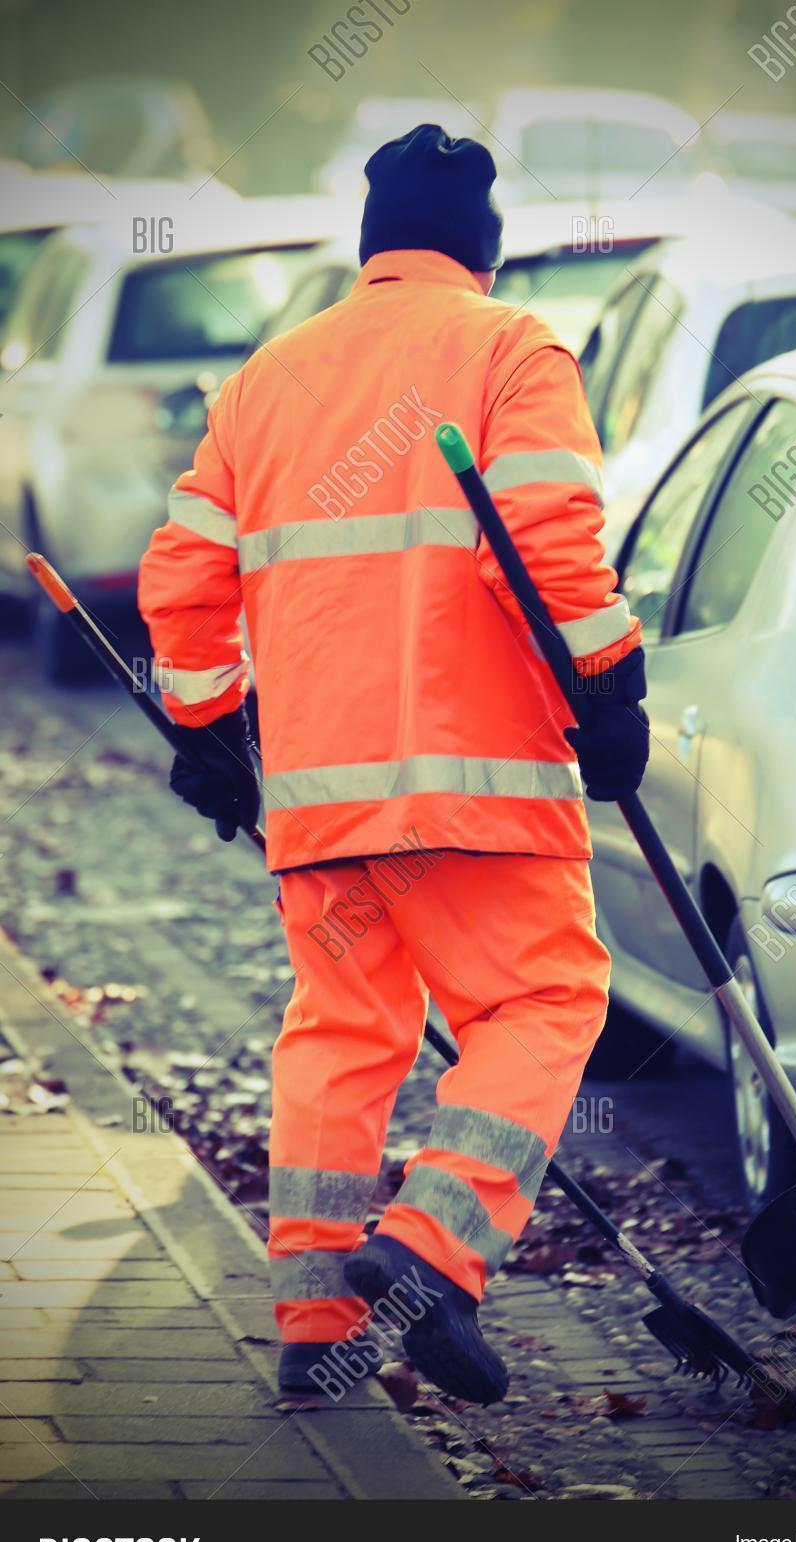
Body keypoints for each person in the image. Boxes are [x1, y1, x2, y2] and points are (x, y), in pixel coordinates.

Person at [139, 124, 649, 1405]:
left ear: (373, 246)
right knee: (543, 1003)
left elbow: (184, 578)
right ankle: (431, 1244)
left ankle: (317, 1319)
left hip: (322, 797)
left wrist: (211, 729)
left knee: (341, 1034)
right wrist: (609, 683)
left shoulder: (265, 381)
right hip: (481, 787)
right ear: (483, 250)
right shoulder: (511, 350)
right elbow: (545, 543)